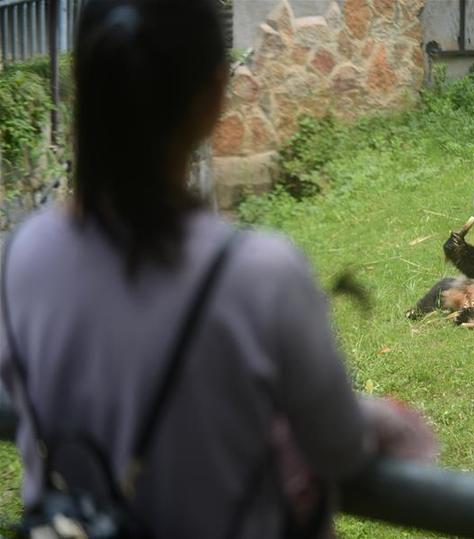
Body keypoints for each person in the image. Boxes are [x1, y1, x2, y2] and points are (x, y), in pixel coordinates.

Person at [0, 0, 436, 537]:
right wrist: (380, 417)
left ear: (84, 87)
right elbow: (338, 448)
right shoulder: (260, 276)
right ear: (214, 95)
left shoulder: (19, 258)